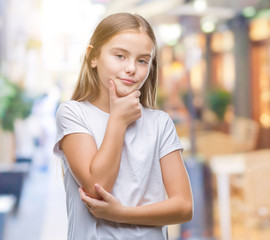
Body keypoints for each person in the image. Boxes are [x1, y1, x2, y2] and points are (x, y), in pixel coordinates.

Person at [53, 12, 193, 240]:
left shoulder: (160, 123)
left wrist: (121, 214)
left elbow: (184, 206)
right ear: (93, 57)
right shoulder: (73, 113)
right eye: (120, 56)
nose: (131, 68)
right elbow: (97, 187)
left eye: (142, 60)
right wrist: (118, 119)